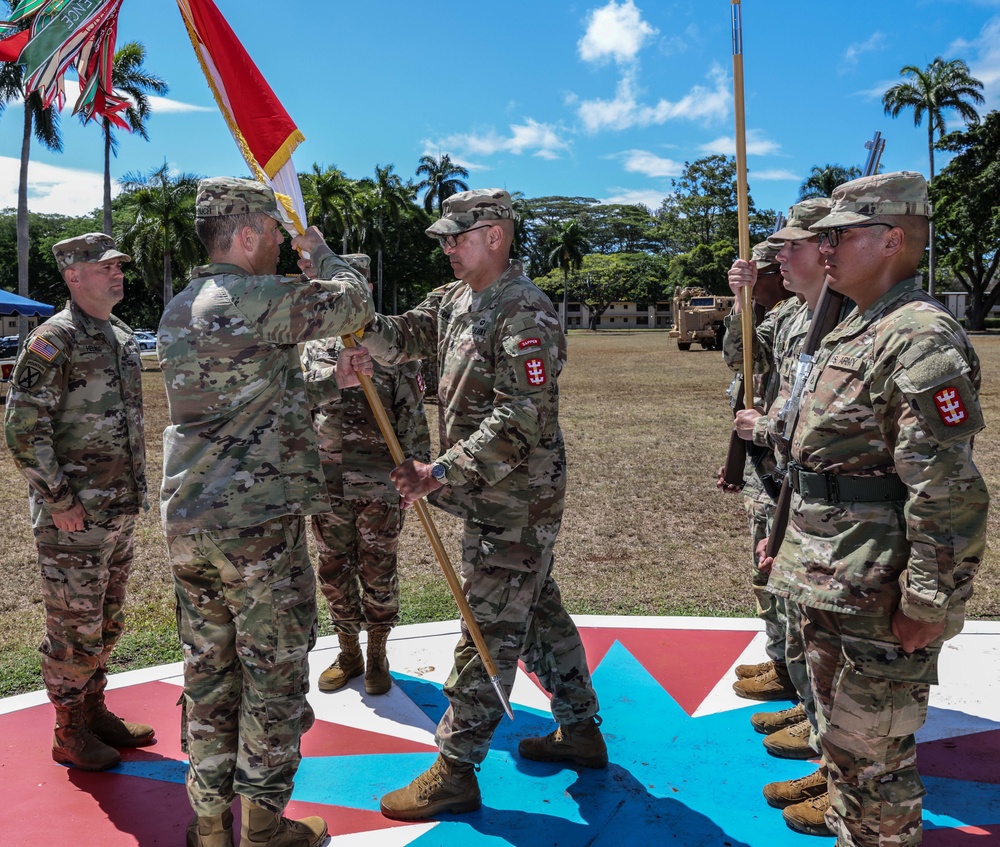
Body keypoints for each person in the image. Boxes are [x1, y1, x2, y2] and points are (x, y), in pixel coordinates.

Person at [359, 188, 605, 821]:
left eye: (456, 237)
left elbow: (523, 418)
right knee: (537, 612)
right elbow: (404, 334)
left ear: (495, 235)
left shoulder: (525, 310)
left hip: (517, 499)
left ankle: (457, 766)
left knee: (486, 627)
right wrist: (357, 325)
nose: (446, 248)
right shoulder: (456, 298)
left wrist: (440, 471)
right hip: (488, 497)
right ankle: (580, 729)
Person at [764, 171, 988, 845]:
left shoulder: (917, 336)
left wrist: (927, 599)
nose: (823, 247)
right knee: (844, 744)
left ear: (892, 240)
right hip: (831, 575)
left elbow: (946, 486)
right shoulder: (854, 326)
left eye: (839, 234)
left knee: (876, 763)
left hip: (876, 586)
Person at [158, 177, 374, 847]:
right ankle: (262, 825)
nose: (283, 241)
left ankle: (210, 824)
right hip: (256, 524)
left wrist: (326, 379)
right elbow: (355, 303)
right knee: (272, 672)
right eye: (276, 231)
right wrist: (322, 251)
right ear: (246, 233)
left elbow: (244, 392)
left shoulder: (181, 306)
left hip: (194, 525)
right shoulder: (255, 296)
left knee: (209, 672)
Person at [3, 233, 152, 772]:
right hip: (73, 520)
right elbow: (22, 430)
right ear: (73, 276)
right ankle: (68, 731)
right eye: (105, 267)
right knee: (73, 629)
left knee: (106, 620)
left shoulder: (121, 335)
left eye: (118, 266)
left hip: (115, 511)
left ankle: (93, 711)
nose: (117, 274)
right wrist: (61, 500)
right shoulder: (54, 340)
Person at [301, 253, 430, 697]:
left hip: (381, 482)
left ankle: (377, 653)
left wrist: (417, 471)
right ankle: (347, 651)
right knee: (334, 570)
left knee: (379, 569)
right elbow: (295, 403)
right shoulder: (312, 345)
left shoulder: (392, 346)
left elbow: (412, 415)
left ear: (366, 290)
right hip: (327, 481)